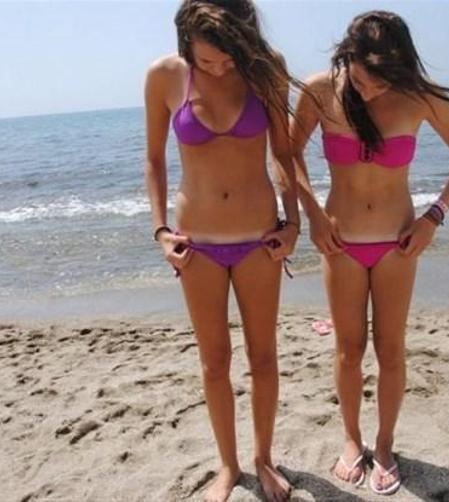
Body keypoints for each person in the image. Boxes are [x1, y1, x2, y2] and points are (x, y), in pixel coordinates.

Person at [290, 10, 449, 495]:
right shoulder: (320, 91)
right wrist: (311, 215)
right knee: (348, 350)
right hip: (340, 244)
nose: (370, 91)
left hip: (398, 244)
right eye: (361, 80)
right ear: (347, 58)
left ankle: (386, 443)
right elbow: (287, 155)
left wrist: (433, 217)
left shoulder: (418, 96)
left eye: (381, 83)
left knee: (390, 349)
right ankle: (351, 439)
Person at [143, 1, 302, 501]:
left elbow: (283, 152)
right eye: (206, 61)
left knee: (264, 357)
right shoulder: (164, 76)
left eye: (227, 59)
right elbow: (154, 160)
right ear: (185, 44)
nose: (217, 69)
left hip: (260, 239)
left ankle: (264, 459)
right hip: (197, 246)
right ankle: (229, 466)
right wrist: (161, 231)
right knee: (214, 362)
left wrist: (293, 222)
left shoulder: (266, 67)